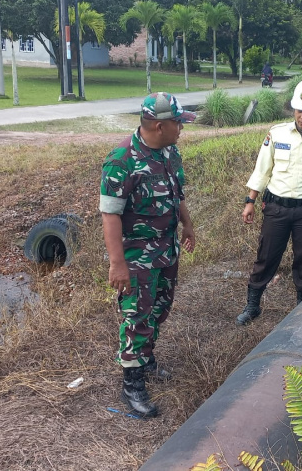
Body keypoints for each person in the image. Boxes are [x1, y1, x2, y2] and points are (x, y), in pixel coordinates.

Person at [99, 92, 196, 418]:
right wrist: (118, 264)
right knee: (138, 317)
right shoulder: (122, 161)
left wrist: (188, 225)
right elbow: (110, 215)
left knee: (160, 308)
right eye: (178, 123)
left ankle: (147, 357)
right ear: (159, 125)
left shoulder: (170, 153)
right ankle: (132, 382)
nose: (181, 128)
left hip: (166, 250)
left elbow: (176, 192)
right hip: (138, 256)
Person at [236, 78, 302, 326]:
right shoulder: (276, 134)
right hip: (276, 209)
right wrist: (250, 201)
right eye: (299, 110)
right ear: (293, 109)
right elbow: (262, 170)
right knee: (266, 256)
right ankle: (253, 305)